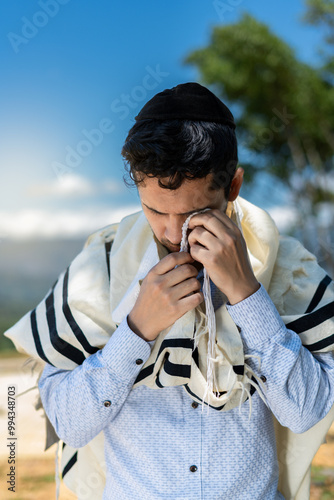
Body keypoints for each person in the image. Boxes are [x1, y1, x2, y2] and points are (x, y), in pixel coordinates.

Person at [5, 83, 334, 500]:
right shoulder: (98, 270)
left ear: (232, 186)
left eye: (194, 213)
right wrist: (136, 330)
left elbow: (305, 414)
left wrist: (248, 296)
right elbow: (69, 424)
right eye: (156, 211)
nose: (174, 234)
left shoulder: (288, 270)